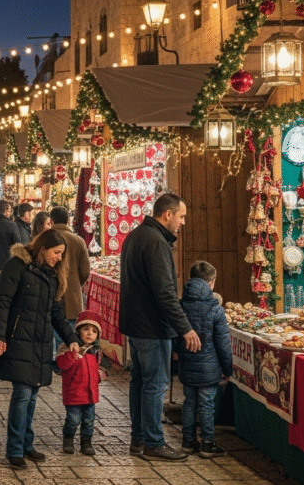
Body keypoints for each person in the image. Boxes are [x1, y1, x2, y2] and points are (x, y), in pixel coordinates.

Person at [119, 193, 200, 461]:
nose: (183, 222)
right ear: (168, 214)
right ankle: (153, 442)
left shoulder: (135, 235)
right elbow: (165, 292)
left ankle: (138, 438)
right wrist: (185, 328)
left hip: (135, 324)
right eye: (181, 216)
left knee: (140, 381)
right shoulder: (156, 242)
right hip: (151, 327)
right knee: (155, 384)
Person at [0, 230, 80, 468]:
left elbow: (57, 314)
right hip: (18, 339)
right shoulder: (17, 266)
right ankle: (15, 449)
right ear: (43, 248)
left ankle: (26, 444)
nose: (59, 258)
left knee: (32, 396)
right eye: (56, 252)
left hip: (40, 343)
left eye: (62, 254)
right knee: (22, 395)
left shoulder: (53, 275)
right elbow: (2, 302)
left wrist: (71, 337)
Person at [177, 261, 232, 459]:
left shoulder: (180, 306)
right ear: (212, 283)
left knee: (189, 403)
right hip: (210, 368)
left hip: (187, 364)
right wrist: (228, 368)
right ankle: (208, 444)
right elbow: (223, 344)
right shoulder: (216, 309)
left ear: (190, 280)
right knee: (207, 404)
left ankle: (187, 442)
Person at [57, 310, 108, 457]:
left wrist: (99, 376)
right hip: (74, 393)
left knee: (89, 421)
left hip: (90, 394)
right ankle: (68, 438)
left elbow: (95, 370)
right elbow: (62, 365)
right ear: (78, 331)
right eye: (86, 329)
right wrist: (72, 354)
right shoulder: (69, 347)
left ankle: (86, 442)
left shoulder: (95, 351)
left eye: (94, 331)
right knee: (73, 420)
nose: (89, 334)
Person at [49, 206, 92, 356]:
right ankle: (65, 359)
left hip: (49, 293)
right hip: (72, 297)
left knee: (51, 330)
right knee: (69, 331)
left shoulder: (46, 238)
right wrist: (74, 285)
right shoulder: (78, 240)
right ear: (68, 221)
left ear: (51, 220)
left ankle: (54, 359)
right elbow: (85, 270)